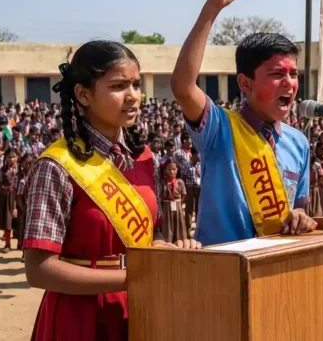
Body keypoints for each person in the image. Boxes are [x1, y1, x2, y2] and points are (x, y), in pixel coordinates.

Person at [22, 41, 199, 341]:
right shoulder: (57, 165)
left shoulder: (144, 157)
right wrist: (134, 277)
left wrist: (164, 251)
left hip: (140, 307)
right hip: (81, 316)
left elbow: (152, 232)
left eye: (136, 85)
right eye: (118, 86)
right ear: (84, 94)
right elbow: (39, 270)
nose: (133, 96)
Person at [171, 0, 317, 246]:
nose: (289, 83)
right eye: (277, 74)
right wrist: (212, 8)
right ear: (245, 83)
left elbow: (300, 207)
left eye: (294, 74)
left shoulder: (299, 143)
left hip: (276, 263)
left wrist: (300, 216)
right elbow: (183, 86)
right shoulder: (219, 128)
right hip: (222, 264)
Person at [160, 159, 188, 244]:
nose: (171, 172)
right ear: (165, 170)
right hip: (166, 207)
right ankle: (168, 242)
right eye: (169, 169)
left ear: (177, 170)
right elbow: (160, 196)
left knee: (179, 224)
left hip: (178, 206)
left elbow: (183, 195)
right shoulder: (162, 182)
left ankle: (180, 242)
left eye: (173, 169)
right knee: (167, 226)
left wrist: (179, 204)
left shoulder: (180, 182)